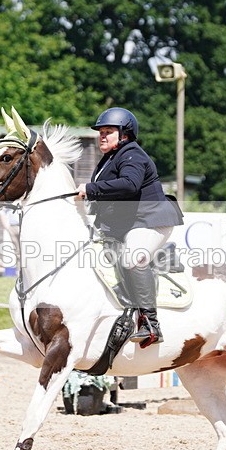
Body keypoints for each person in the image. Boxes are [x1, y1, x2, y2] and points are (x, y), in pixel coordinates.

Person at [76, 107, 184, 347]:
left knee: (132, 259)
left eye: (108, 132)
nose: (102, 136)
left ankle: (150, 325)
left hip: (152, 220)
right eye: (100, 132)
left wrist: (91, 190)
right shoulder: (110, 158)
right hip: (129, 224)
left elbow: (129, 185)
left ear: (124, 134)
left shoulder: (132, 154)